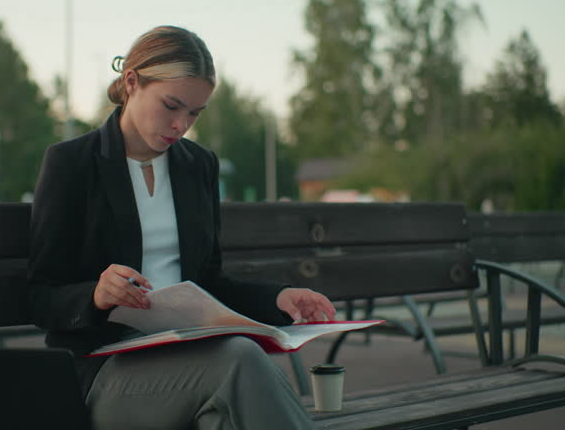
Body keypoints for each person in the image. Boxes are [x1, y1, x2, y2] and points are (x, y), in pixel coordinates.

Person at [28, 25, 336, 429]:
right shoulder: (72, 164)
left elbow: (210, 284)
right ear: (132, 81)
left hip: (193, 363)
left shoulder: (197, 166)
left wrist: (279, 298)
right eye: (171, 105)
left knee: (221, 419)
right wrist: (95, 296)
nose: (181, 124)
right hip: (104, 373)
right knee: (240, 359)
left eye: (194, 112)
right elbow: (39, 295)